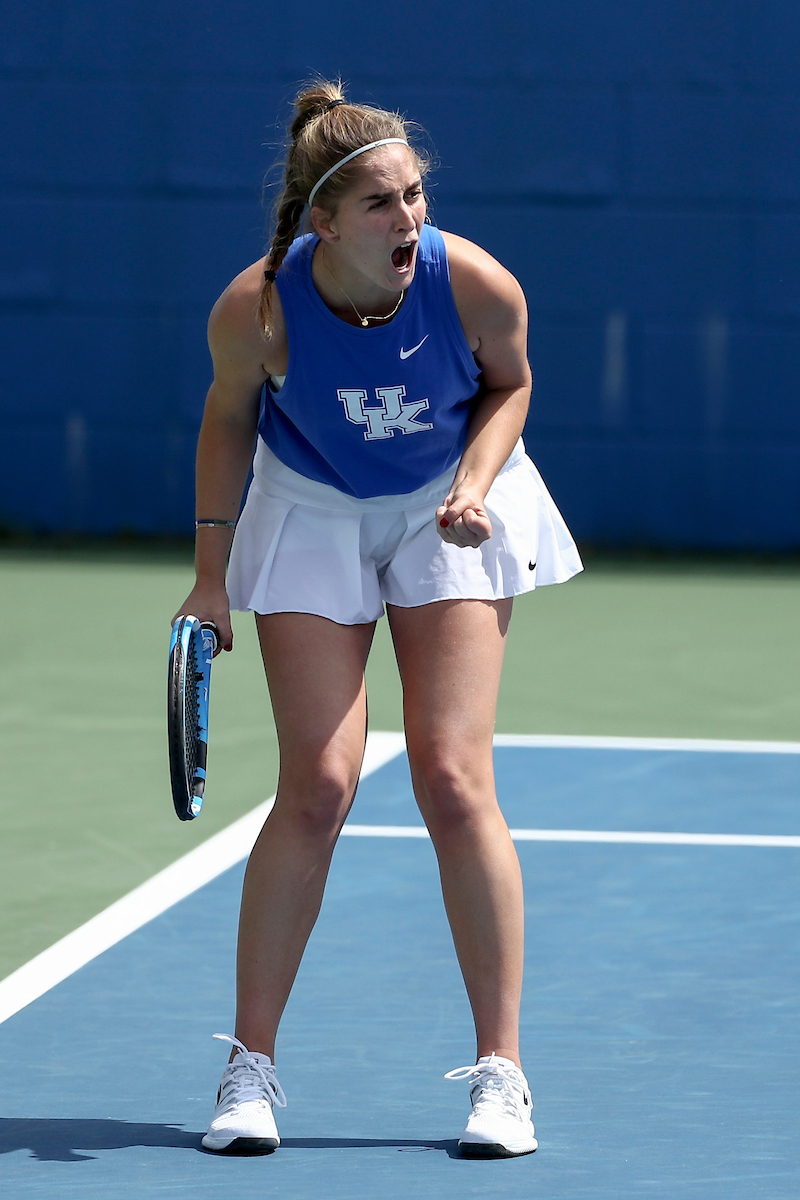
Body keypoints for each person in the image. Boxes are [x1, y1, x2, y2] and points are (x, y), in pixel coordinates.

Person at [175, 79, 582, 1160]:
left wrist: (474, 486)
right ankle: (248, 1067)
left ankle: (501, 1074)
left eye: (415, 196)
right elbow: (227, 422)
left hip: (446, 500)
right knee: (317, 785)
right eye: (381, 204)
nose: (409, 218)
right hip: (309, 505)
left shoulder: (472, 282)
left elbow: (510, 385)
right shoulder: (257, 309)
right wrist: (209, 579)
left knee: (452, 777)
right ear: (323, 220)